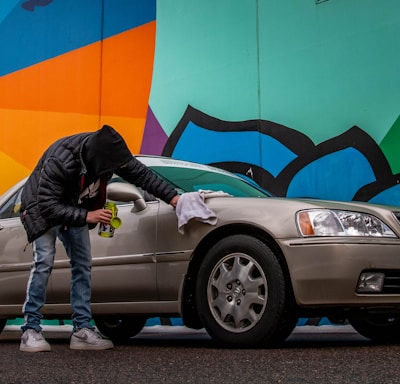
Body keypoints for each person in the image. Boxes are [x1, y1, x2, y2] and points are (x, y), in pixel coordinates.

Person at [19, 125, 179, 352]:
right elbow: (48, 205)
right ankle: (30, 330)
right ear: (96, 160)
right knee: (44, 261)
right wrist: (88, 215)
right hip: (42, 207)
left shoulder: (109, 152)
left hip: (74, 205)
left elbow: (142, 175)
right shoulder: (62, 160)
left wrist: (174, 198)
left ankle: (82, 330)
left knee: (83, 264)